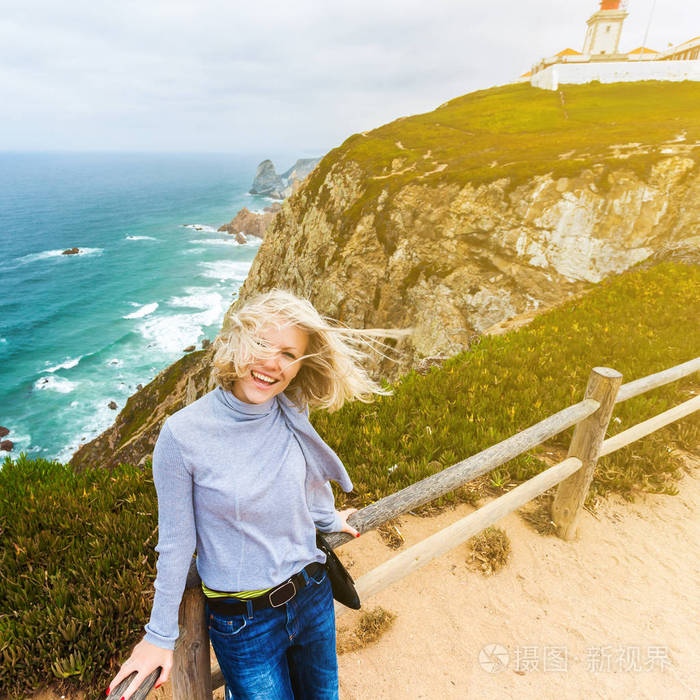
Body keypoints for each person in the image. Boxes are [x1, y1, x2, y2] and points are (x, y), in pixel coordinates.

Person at [107, 288, 408, 700]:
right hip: (243, 622)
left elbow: (310, 471)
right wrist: (158, 636)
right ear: (236, 343)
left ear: (300, 365)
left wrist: (327, 518)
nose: (271, 363)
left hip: (312, 594)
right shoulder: (182, 435)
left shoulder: (290, 408)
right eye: (262, 344)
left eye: (288, 353)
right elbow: (177, 544)